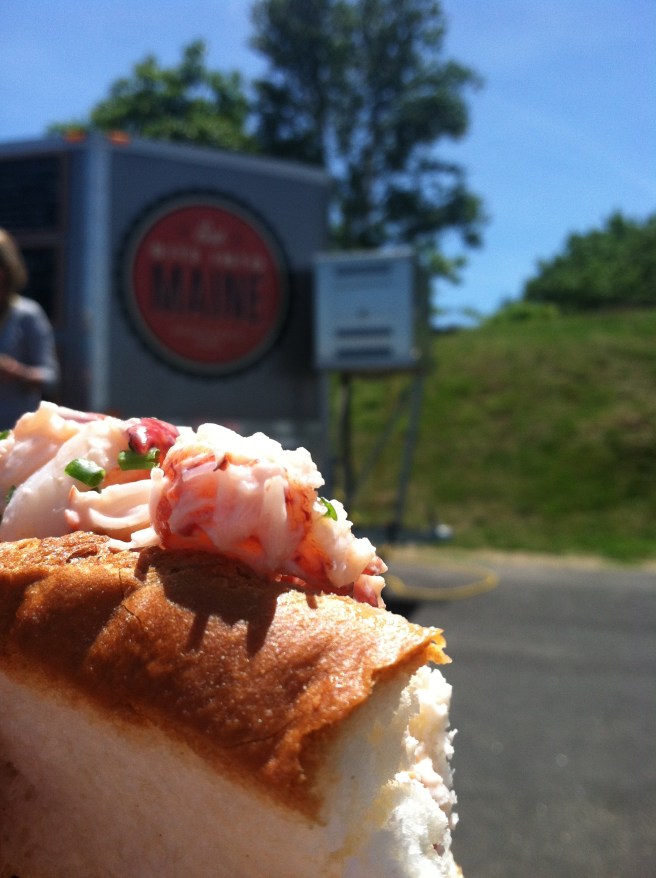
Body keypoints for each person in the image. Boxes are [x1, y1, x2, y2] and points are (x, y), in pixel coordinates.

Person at [0, 228, 60, 431]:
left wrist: (16, 372)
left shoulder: (28, 315)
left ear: (6, 271)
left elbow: (50, 378)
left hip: (15, 434)